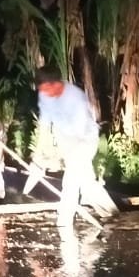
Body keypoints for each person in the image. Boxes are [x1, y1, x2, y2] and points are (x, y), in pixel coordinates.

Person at [28, 65, 119, 228]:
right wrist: (38, 157)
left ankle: (64, 223)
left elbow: (79, 131)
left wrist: (58, 158)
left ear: (55, 83)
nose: (44, 92)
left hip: (84, 142)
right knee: (87, 183)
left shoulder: (74, 98)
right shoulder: (45, 95)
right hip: (68, 143)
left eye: (46, 88)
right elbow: (44, 126)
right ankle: (113, 214)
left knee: (71, 182)